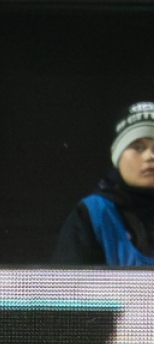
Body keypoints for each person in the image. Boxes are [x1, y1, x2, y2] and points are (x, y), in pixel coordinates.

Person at [53, 102, 154, 265]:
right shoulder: (93, 214)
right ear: (117, 156)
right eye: (138, 147)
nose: (150, 156)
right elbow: (68, 281)